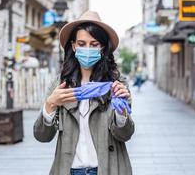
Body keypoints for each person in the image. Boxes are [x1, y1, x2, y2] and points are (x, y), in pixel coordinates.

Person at [33, 11, 135, 175]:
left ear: (102, 47)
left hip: (108, 169)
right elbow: (42, 136)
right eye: (82, 43)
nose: (87, 49)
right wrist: (50, 104)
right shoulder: (61, 85)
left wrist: (122, 111)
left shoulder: (116, 84)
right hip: (70, 170)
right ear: (73, 46)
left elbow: (125, 135)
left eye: (94, 44)